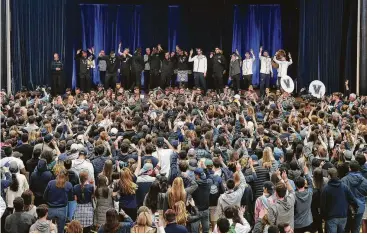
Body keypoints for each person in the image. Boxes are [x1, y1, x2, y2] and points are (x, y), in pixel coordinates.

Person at [321, 167, 359, 233]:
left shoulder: (325, 189)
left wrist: (324, 216)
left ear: (329, 176)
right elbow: (353, 200)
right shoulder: (344, 186)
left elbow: (323, 205)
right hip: (343, 216)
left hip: (331, 217)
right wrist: (355, 208)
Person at [43, 169, 73, 233]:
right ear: (67, 177)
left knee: (48, 229)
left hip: (50, 209)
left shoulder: (51, 183)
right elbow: (71, 198)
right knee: (60, 230)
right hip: (62, 210)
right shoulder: (69, 185)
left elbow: (44, 196)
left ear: (58, 175)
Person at [341, 160, 367, 233]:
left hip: (347, 208)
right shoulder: (365, 181)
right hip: (360, 208)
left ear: (349, 168)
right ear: (358, 169)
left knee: (346, 229)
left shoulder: (343, 180)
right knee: (356, 229)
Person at [294, 165, 313, 232]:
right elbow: (310, 183)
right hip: (308, 222)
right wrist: (306, 173)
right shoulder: (310, 192)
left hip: (297, 224)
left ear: (295, 185)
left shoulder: (294, 196)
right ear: (304, 184)